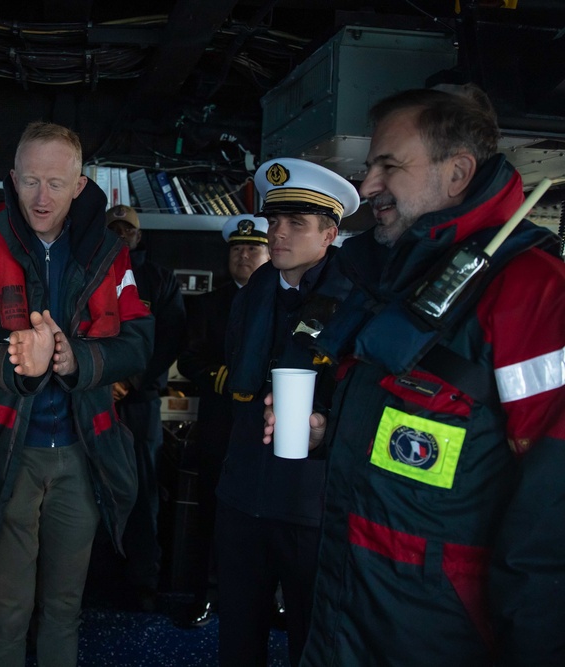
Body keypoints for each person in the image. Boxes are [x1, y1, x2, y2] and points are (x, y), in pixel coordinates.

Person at [267, 86, 565, 666]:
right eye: (370, 165)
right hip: (346, 618)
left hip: (441, 636)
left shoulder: (535, 294)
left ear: (457, 173)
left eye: (389, 166)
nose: (369, 184)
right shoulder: (393, 280)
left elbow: (554, 519)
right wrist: (331, 431)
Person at [0, 121, 153, 667]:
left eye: (56, 184)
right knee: (7, 608)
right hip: (7, 452)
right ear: (12, 179)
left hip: (83, 456)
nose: (42, 197)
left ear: (80, 186)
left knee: (65, 607)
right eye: (30, 181)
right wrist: (22, 363)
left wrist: (77, 360)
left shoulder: (111, 254)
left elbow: (138, 342)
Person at [216, 158, 359, 667]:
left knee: (312, 639)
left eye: (296, 224)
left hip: (309, 508)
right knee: (238, 634)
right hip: (242, 495)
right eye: (275, 221)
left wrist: (327, 426)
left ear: (329, 235)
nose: (277, 234)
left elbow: (365, 402)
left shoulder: (356, 305)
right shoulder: (252, 296)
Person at [174, 212, 269, 628]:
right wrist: (223, 379)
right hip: (221, 425)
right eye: (237, 249)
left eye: (252, 248)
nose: (243, 255)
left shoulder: (286, 302)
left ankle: (271, 599)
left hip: (268, 429)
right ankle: (203, 596)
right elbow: (191, 358)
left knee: (269, 518)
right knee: (210, 515)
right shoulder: (211, 304)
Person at [104, 203, 186, 610]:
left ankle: (142, 582)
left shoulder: (159, 280)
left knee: (142, 491)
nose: (121, 236)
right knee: (88, 490)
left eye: (128, 230)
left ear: (138, 237)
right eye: (114, 228)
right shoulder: (88, 274)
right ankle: (93, 579)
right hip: (94, 400)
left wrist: (129, 381)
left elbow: (169, 339)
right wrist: (103, 382)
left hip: (139, 404)